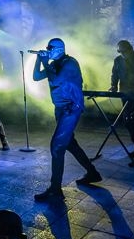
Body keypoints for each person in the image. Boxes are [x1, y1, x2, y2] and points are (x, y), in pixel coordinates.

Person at [31, 38, 101, 201]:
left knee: (56, 147)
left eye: (50, 47)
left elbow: (56, 80)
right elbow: (36, 76)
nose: (47, 49)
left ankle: (55, 189)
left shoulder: (70, 63)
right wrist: (39, 60)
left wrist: (45, 62)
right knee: (70, 144)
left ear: (59, 49)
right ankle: (92, 173)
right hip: (61, 109)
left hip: (71, 108)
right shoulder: (54, 64)